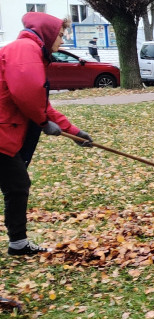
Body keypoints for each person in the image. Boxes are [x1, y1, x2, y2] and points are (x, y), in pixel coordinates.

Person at [0, 13, 94, 257]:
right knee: (17, 184)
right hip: (2, 133)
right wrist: (43, 123)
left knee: (17, 185)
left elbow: (41, 103)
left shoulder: (29, 50)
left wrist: (74, 132)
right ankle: (18, 243)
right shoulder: (25, 49)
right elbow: (27, 93)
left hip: (6, 132)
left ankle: (18, 243)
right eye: (61, 35)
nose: (62, 41)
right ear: (49, 33)